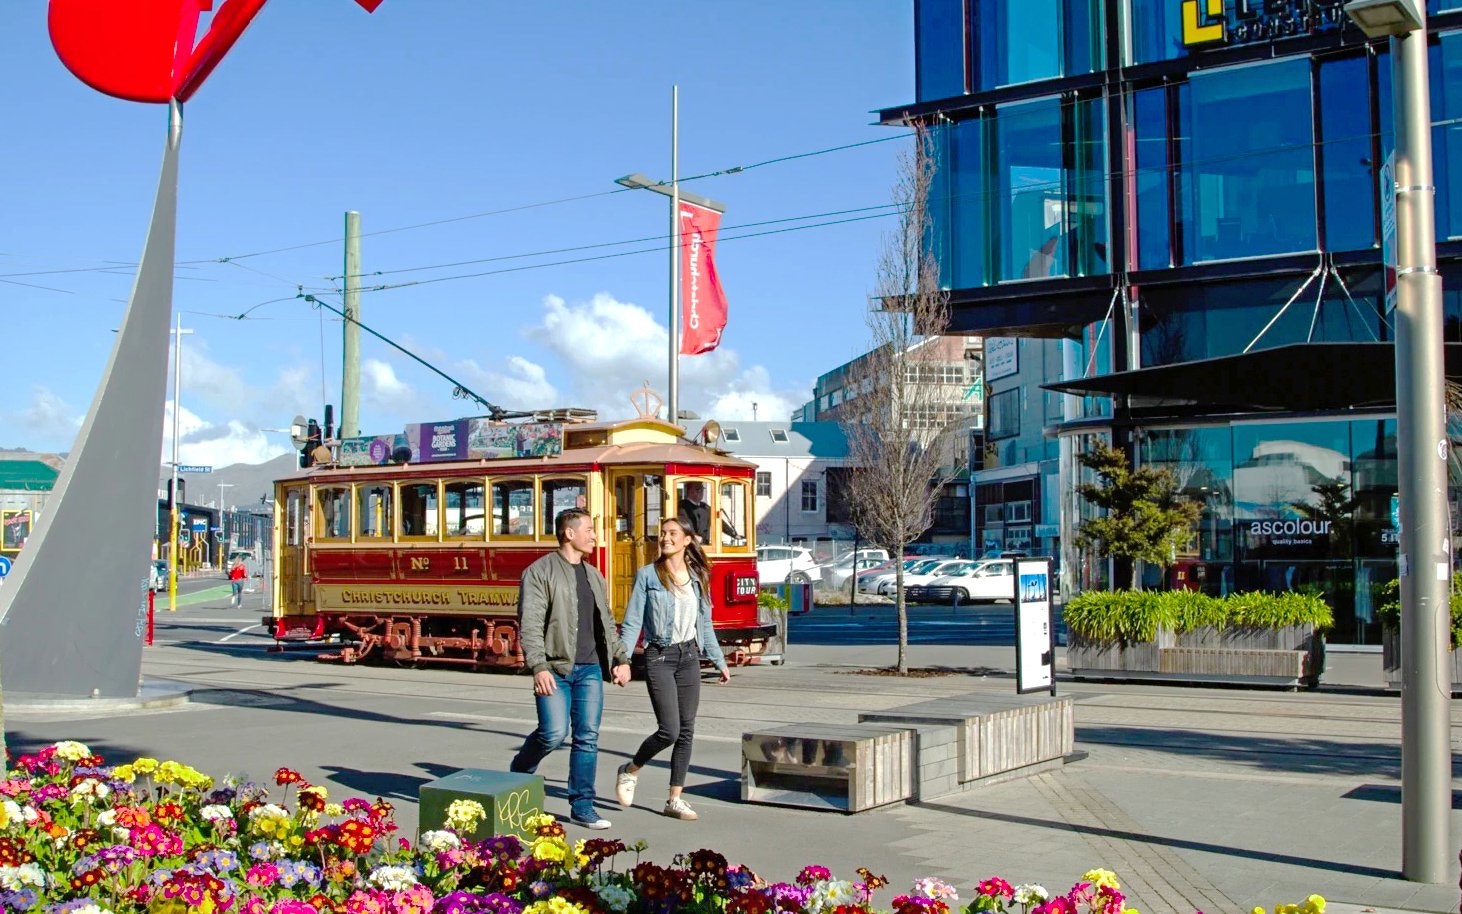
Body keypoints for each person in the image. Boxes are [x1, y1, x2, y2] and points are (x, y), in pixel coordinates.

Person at [509, 508, 631, 829]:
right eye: (589, 529)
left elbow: (607, 624)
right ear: (568, 533)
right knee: (553, 733)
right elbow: (531, 624)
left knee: (587, 737)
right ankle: (521, 768)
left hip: (589, 668)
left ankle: (582, 805)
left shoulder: (595, 576)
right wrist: (538, 666)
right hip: (554, 667)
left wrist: (620, 659)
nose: (594, 535)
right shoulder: (539, 572)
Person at [614, 517, 730, 821]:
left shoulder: (698, 576)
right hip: (660, 657)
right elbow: (632, 623)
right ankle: (630, 769)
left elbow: (705, 624)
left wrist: (719, 660)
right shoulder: (648, 576)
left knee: (687, 730)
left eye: (672, 533)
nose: (665, 538)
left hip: (689, 657)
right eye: (662, 533)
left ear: (687, 540)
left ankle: (674, 799)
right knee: (669, 730)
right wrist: (623, 660)